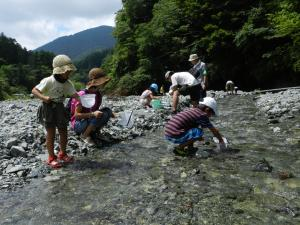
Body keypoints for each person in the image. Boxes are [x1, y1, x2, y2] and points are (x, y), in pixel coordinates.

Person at [32, 54, 79, 169]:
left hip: (60, 107)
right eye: (66, 72)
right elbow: (34, 90)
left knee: (63, 130)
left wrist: (84, 100)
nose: (69, 74)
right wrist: (44, 98)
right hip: (48, 107)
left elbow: (75, 95)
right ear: (58, 71)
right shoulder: (49, 81)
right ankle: (51, 158)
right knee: (51, 133)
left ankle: (62, 154)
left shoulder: (68, 83)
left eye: (69, 72)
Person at [70, 68, 113, 146]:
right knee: (96, 115)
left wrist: (111, 114)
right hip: (78, 123)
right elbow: (76, 115)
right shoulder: (82, 94)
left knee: (108, 111)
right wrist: (93, 114)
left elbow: (95, 110)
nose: (104, 84)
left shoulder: (98, 94)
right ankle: (84, 136)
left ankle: (95, 132)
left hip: (88, 120)